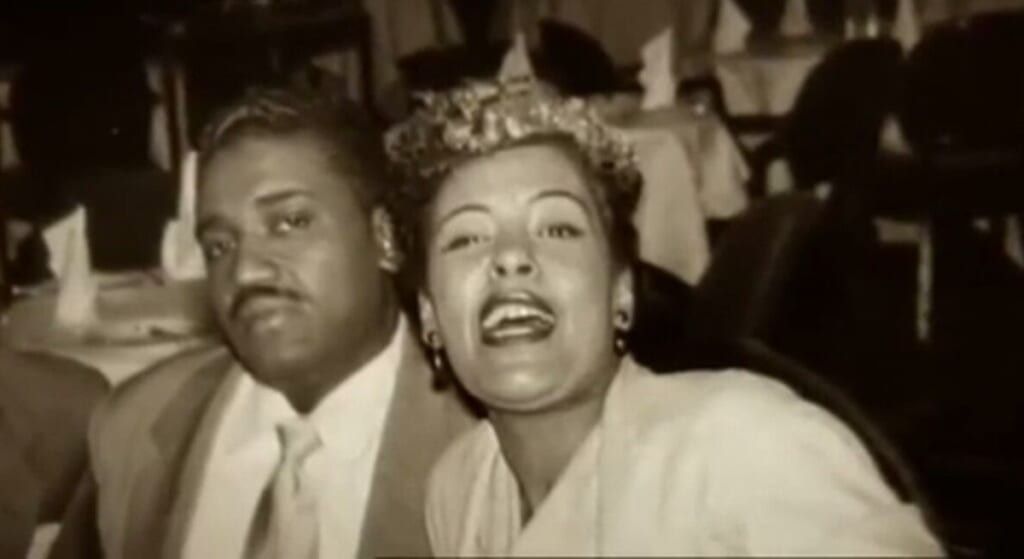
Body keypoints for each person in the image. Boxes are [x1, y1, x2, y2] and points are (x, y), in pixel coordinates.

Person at [382, 77, 944, 556]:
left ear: (621, 293)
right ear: (430, 315)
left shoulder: (740, 444)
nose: (510, 259)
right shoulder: (457, 489)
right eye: (467, 238)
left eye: (557, 229)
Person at [50, 88, 476, 559]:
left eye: (290, 222)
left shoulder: (485, 444)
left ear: (385, 237)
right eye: (219, 245)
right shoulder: (135, 426)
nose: (246, 270)